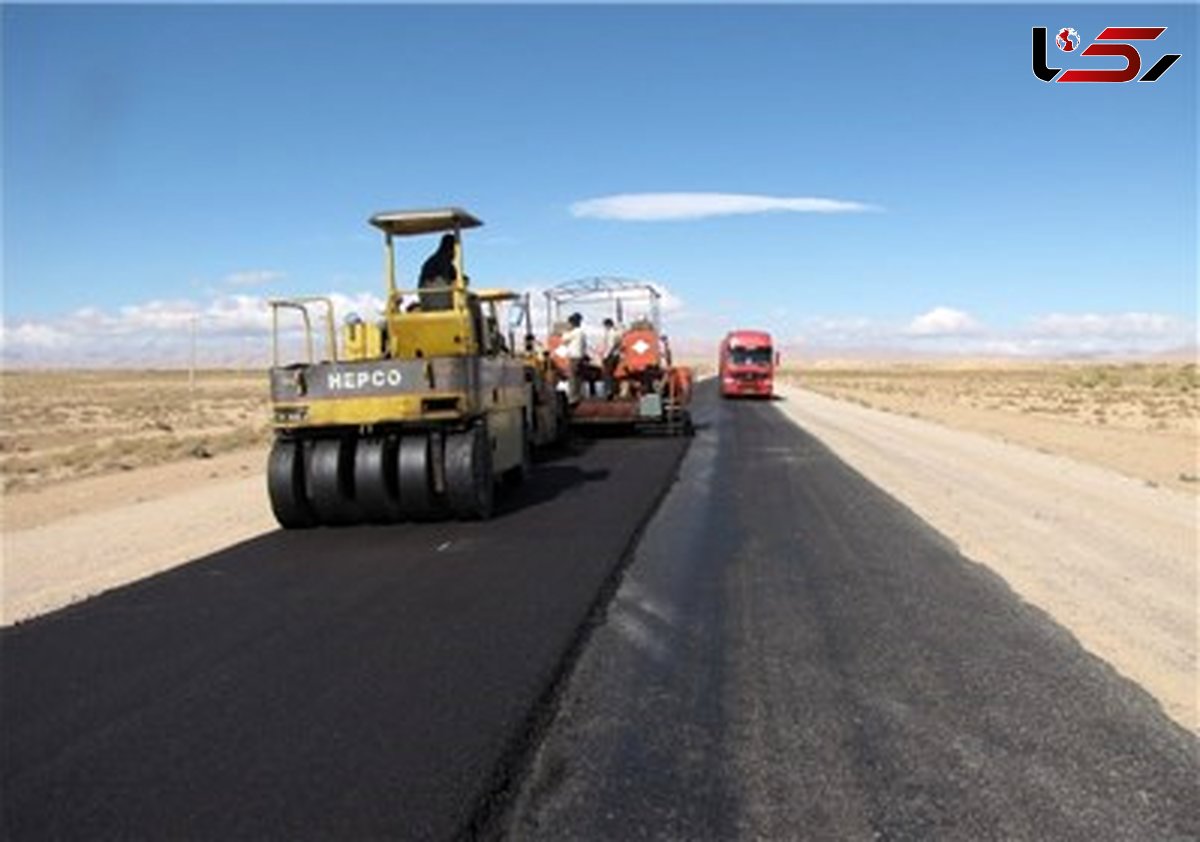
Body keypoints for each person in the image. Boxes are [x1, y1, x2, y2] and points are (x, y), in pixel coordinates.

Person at [418, 234, 458, 310]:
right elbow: (449, 280)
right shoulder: (441, 261)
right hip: (437, 301)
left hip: (430, 299)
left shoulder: (438, 261)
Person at [559, 312, 587, 401]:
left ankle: (572, 397)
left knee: (572, 378)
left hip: (574, 357)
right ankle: (579, 395)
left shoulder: (574, 332)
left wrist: (566, 330)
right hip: (580, 357)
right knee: (578, 377)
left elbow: (563, 339)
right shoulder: (582, 333)